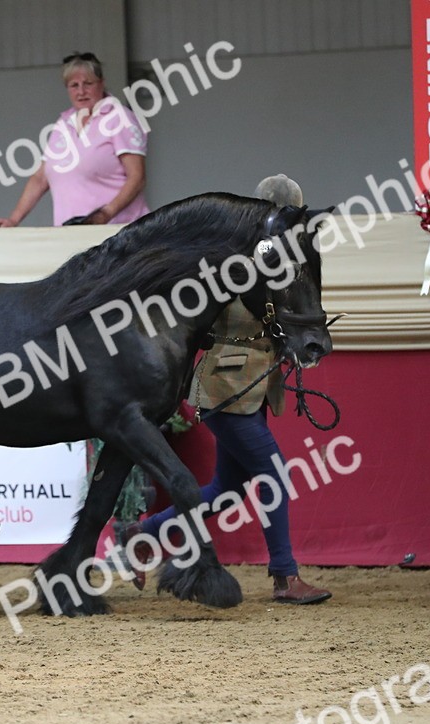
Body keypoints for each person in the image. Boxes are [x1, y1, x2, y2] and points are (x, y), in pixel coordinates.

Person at [121, 175, 332, 605]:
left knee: (226, 490)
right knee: (274, 475)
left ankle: (143, 533)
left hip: (253, 387)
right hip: (225, 386)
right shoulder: (232, 260)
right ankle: (284, 576)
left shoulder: (278, 265)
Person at [0, 52, 150, 228]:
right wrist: (13, 220)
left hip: (119, 232)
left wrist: (104, 214)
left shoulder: (119, 118)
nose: (81, 92)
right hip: (70, 233)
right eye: (74, 85)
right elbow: (40, 178)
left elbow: (137, 177)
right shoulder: (64, 123)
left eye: (88, 83)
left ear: (102, 83)